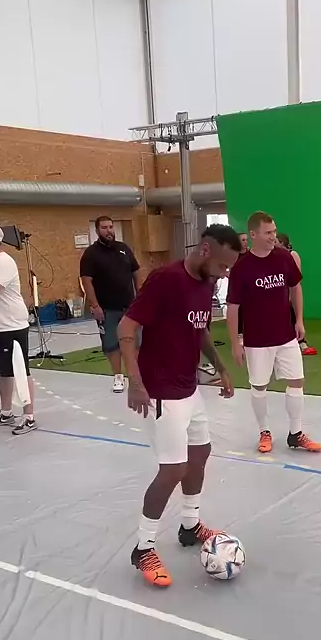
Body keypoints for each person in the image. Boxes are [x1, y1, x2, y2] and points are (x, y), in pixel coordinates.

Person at [117, 224, 242, 588]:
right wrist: (135, 382)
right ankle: (143, 548)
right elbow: (126, 328)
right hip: (160, 391)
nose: (225, 274)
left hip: (189, 388)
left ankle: (190, 526)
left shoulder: (206, 284)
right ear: (205, 250)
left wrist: (220, 367)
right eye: (223, 266)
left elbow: (199, 329)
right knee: (173, 469)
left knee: (200, 453)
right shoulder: (165, 280)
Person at [227, 211, 321, 455]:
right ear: (253, 234)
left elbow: (295, 287)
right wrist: (235, 343)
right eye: (268, 233)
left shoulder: (283, 257)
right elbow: (233, 307)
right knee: (259, 386)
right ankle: (264, 431)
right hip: (257, 341)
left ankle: (296, 433)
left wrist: (299, 320)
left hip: (286, 336)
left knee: (297, 381)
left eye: (274, 231)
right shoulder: (241, 268)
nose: (273, 237)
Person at [80, 216, 145, 392]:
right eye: (104, 228)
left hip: (129, 307)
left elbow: (136, 272)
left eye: (110, 227)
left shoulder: (124, 249)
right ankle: (118, 377)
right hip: (106, 309)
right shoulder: (91, 254)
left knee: (135, 341)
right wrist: (95, 305)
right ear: (97, 231)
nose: (109, 230)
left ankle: (135, 375)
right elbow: (86, 281)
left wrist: (140, 297)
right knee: (111, 343)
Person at [0, 223, 37, 435]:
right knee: (2, 371)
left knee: (20, 370)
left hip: (11, 326)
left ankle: (29, 416)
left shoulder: (3, 262)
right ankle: (6, 412)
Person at [276, 233, 317, 356]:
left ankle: (302, 342)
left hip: (290, 292)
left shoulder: (292, 255)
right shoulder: (274, 256)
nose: (273, 243)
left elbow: (295, 277)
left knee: (294, 315)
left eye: (276, 241)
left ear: (282, 243)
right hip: (279, 294)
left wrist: (290, 293)